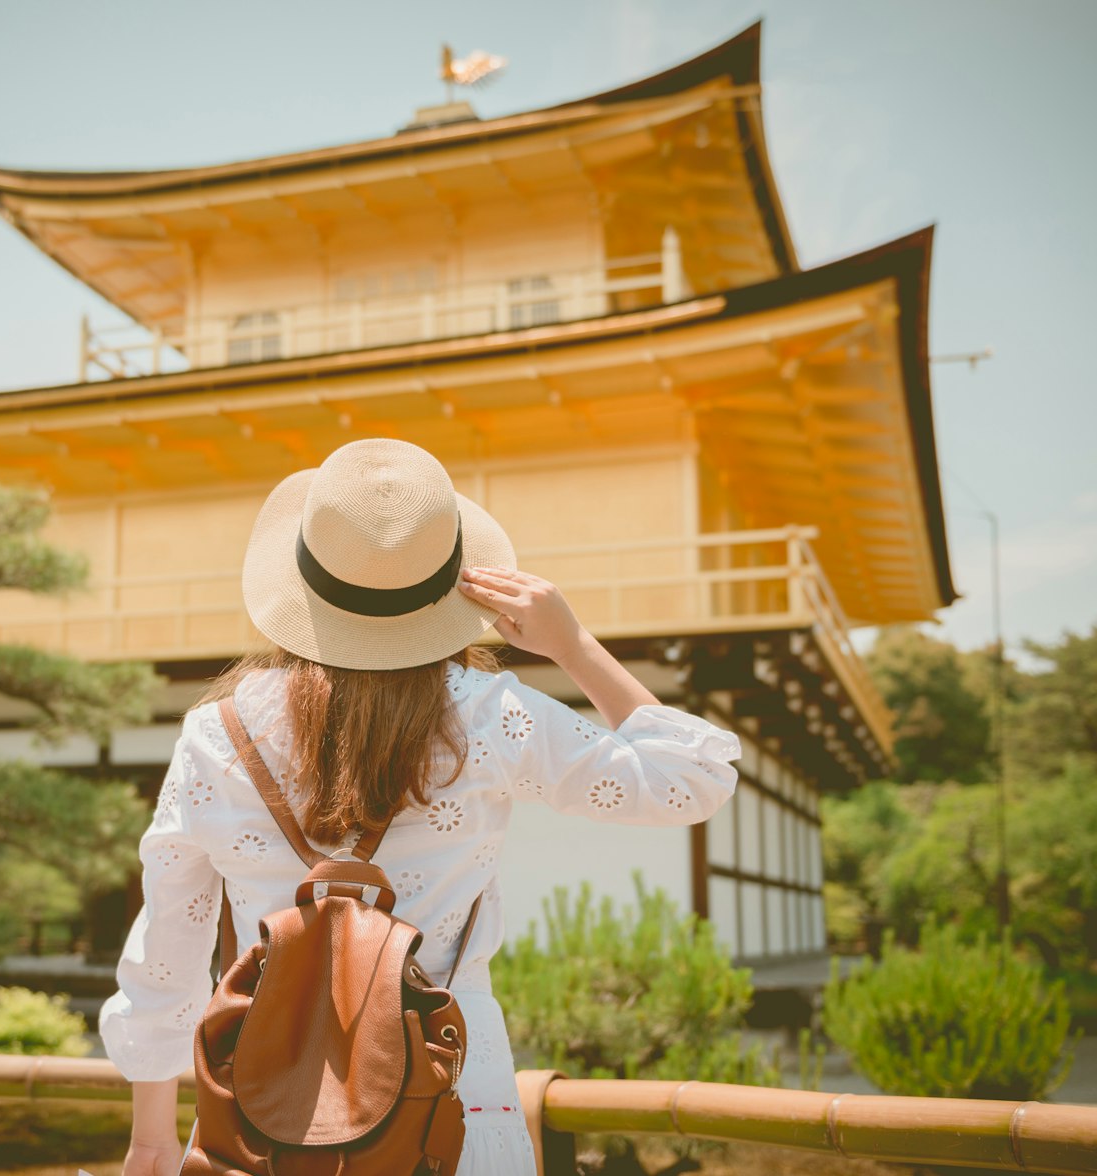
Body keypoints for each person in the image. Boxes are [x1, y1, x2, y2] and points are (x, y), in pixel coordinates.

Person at [100, 438, 742, 1176]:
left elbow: (166, 959)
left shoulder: (218, 732)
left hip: (263, 1106)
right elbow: (690, 779)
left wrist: (150, 1139)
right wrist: (573, 646)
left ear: (304, 584)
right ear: (446, 587)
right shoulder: (491, 714)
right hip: (453, 1094)